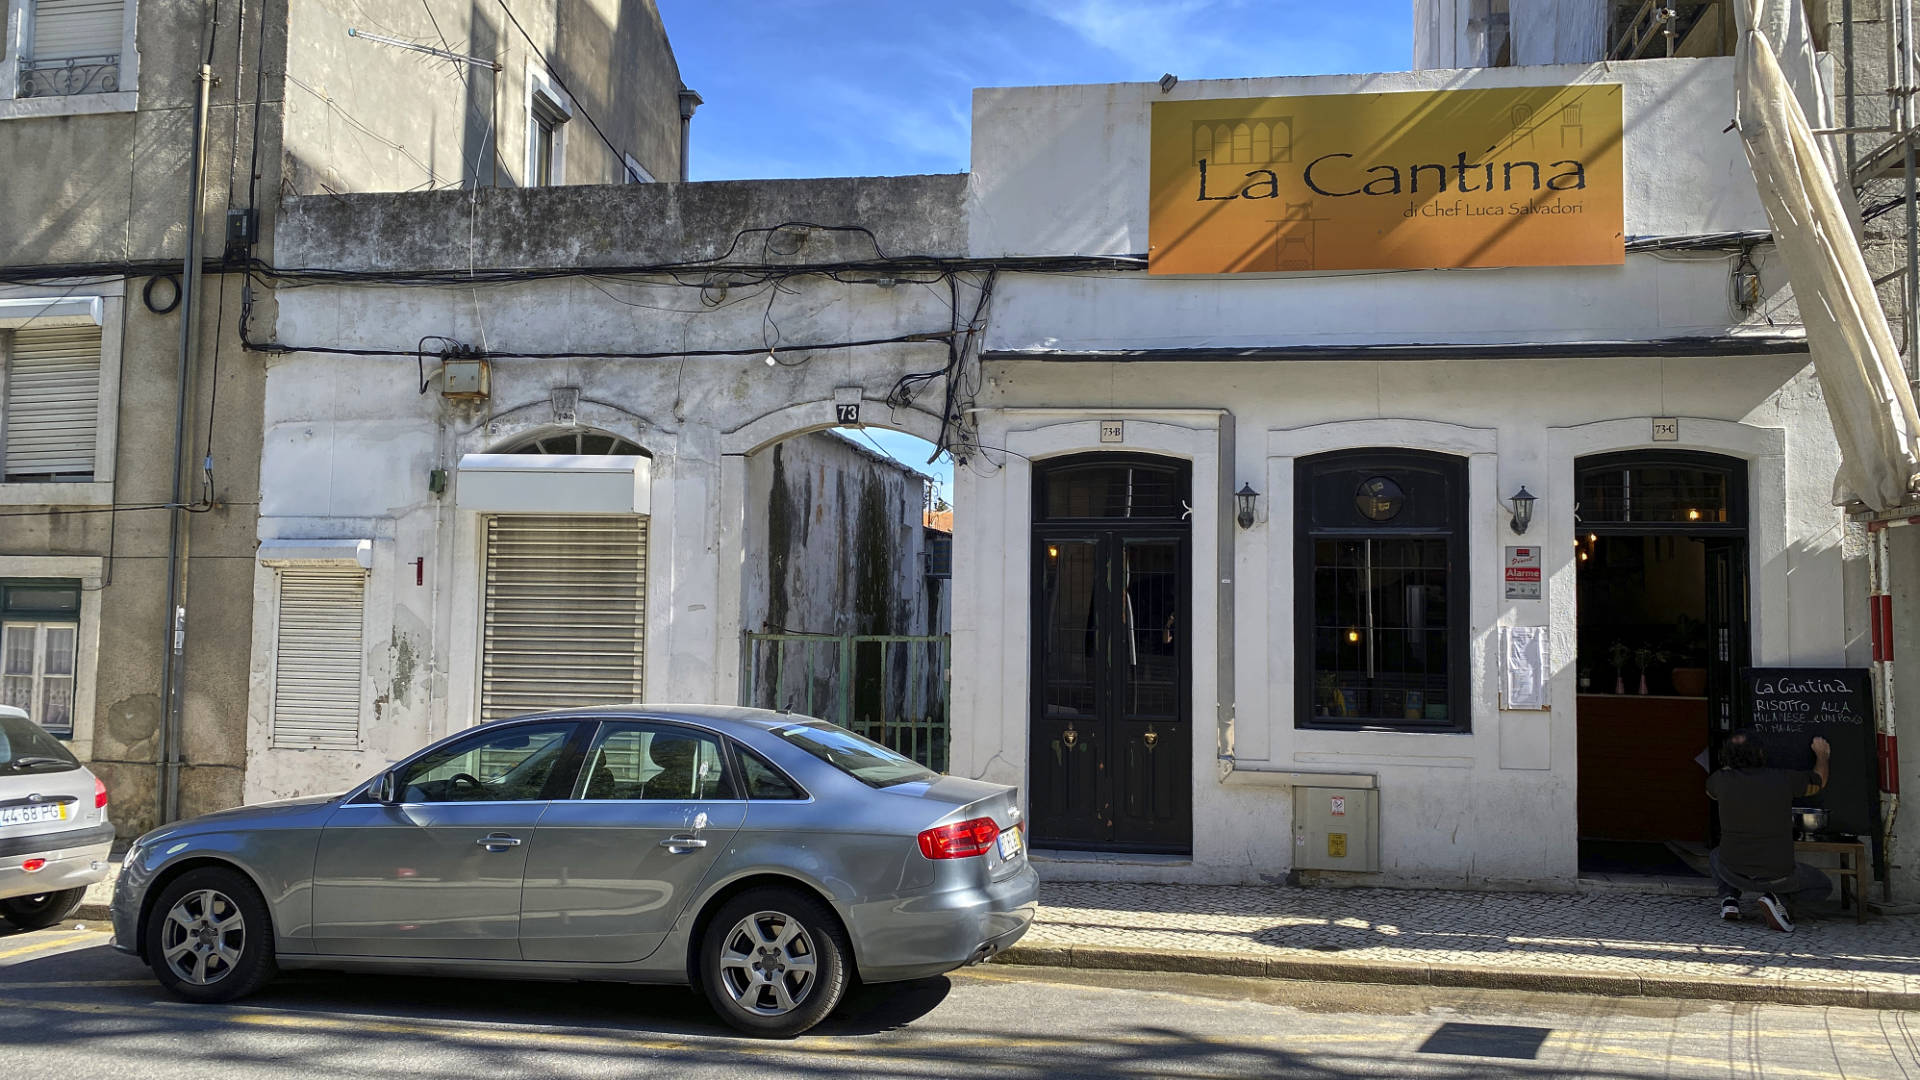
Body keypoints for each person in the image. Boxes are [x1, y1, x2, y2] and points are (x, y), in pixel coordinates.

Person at [1705, 732, 1832, 932]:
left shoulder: (1719, 780)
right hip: (1779, 875)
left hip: (1733, 872)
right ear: (1762, 753)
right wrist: (1822, 755)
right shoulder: (1783, 778)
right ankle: (1778, 901)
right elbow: (1819, 781)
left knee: (1714, 855)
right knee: (1823, 885)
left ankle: (1729, 899)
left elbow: (1711, 793)